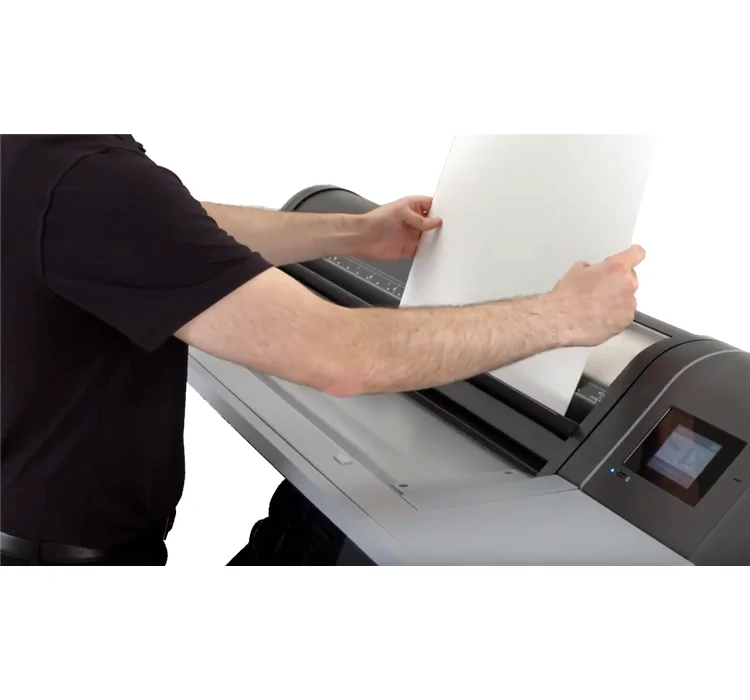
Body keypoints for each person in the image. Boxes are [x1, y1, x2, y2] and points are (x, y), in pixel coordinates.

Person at [0, 134, 645, 566]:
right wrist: (561, 316)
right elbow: (338, 356)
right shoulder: (85, 175)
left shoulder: (46, 156)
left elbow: (166, 225)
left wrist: (351, 231)